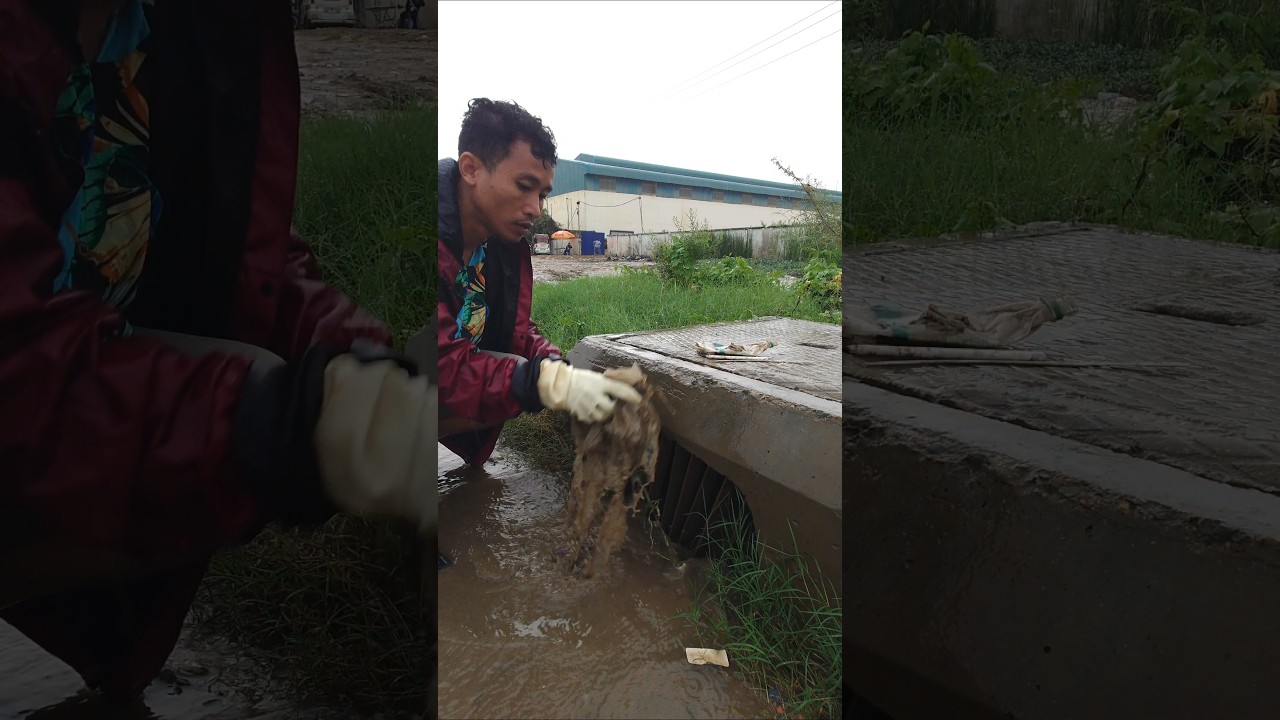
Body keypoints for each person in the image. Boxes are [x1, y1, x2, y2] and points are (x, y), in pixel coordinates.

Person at [0, 0, 434, 701]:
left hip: (68, 376)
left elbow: (233, 248)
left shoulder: (170, 29)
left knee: (244, 392)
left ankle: (106, 676)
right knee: (242, 410)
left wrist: (359, 363)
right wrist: (296, 425)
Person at [437, 98, 640, 467]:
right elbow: (438, 366)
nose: (536, 208)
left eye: (542, 194)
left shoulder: (498, 246)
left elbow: (516, 329)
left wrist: (551, 364)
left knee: (523, 370)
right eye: (524, 186)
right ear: (471, 169)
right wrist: (539, 383)